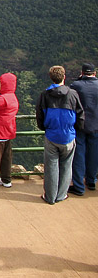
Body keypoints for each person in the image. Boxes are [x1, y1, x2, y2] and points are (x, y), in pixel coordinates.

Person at [36, 65, 85, 204]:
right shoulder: (73, 94)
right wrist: (77, 130)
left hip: (51, 135)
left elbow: (39, 115)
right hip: (69, 135)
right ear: (64, 77)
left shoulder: (45, 95)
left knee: (51, 167)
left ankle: (50, 197)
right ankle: (61, 195)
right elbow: (80, 114)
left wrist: (44, 128)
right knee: (66, 165)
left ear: (51, 77)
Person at [69, 63, 98, 195]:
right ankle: (91, 181)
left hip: (80, 125)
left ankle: (79, 186)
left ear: (82, 73)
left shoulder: (76, 85)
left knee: (79, 154)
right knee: (93, 153)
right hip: (96, 125)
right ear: (94, 73)